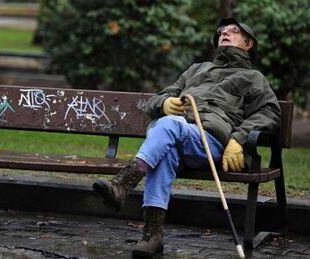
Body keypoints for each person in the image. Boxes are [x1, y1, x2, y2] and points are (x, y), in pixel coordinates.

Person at [93, 17, 281, 258]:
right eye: (222, 30)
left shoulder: (254, 78)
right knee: (165, 150)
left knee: (169, 125)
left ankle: (122, 185)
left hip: (211, 142)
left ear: (248, 44)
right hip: (177, 136)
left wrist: (239, 139)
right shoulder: (196, 69)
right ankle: (152, 235)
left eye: (234, 31)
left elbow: (270, 112)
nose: (225, 32)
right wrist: (165, 102)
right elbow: (157, 99)